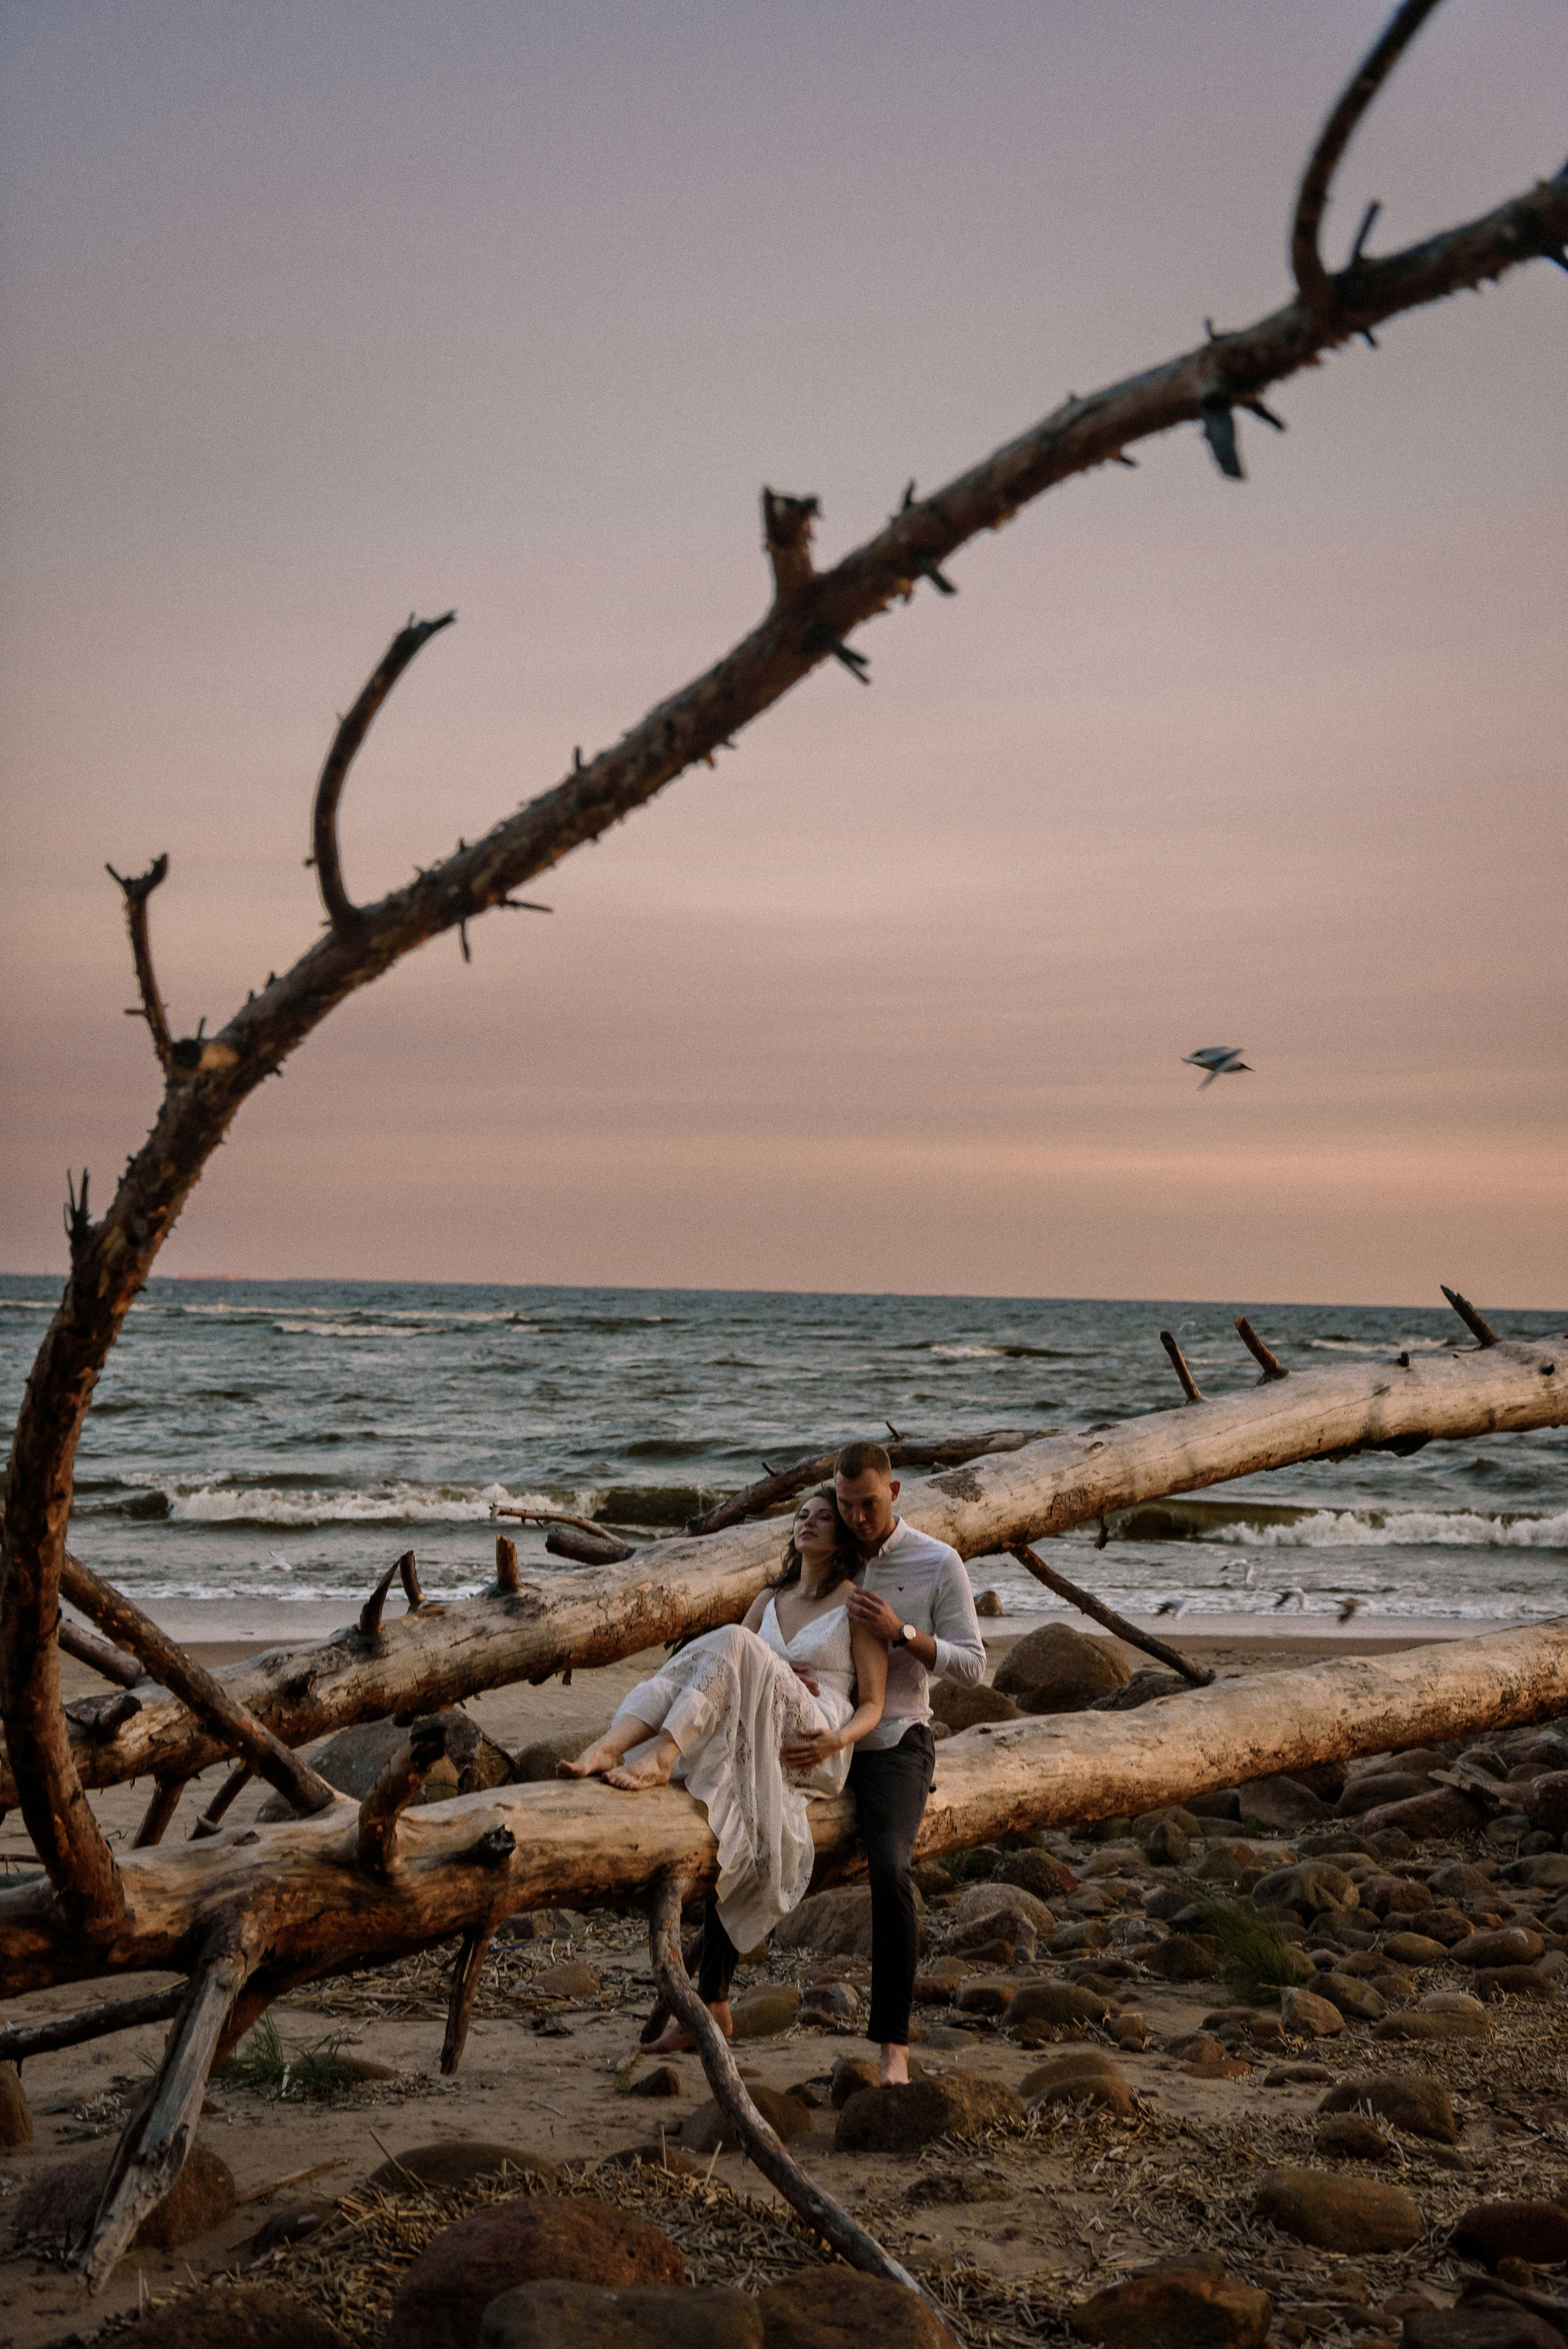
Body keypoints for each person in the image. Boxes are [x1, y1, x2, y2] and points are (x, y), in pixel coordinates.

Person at [559, 1487, 886, 2051]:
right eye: (802, 1514)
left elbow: (873, 1704)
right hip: (760, 1725)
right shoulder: (769, 1597)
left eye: (823, 1517)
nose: (807, 1522)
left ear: (844, 1535)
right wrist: (773, 1670)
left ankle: (660, 1753)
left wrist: (834, 1737)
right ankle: (609, 1747)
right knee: (705, 1656)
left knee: (732, 1641)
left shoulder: (856, 1604)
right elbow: (730, 1672)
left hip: (814, 1737)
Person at [834, 1438, 986, 2085]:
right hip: (821, 1739)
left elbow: (976, 1667)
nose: (857, 1519)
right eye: (844, 1505)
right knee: (742, 1840)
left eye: (867, 1504)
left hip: (897, 1738)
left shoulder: (936, 1561)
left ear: (893, 1493)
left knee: (891, 1869)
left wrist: (902, 1632)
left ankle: (892, 2046)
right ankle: (712, 2001)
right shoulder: (827, 1552)